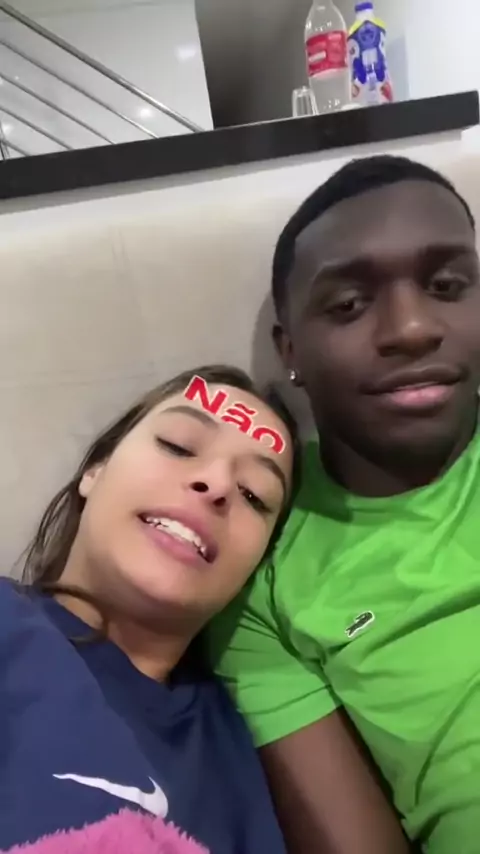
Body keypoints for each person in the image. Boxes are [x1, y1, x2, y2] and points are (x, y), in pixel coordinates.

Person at [211, 155, 480, 854]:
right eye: (349, 305)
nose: (412, 328)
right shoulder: (259, 580)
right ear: (290, 351)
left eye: (447, 286)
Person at [0, 364, 300, 854]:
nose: (217, 484)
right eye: (178, 446)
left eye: (254, 495)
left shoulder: (254, 749)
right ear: (95, 471)